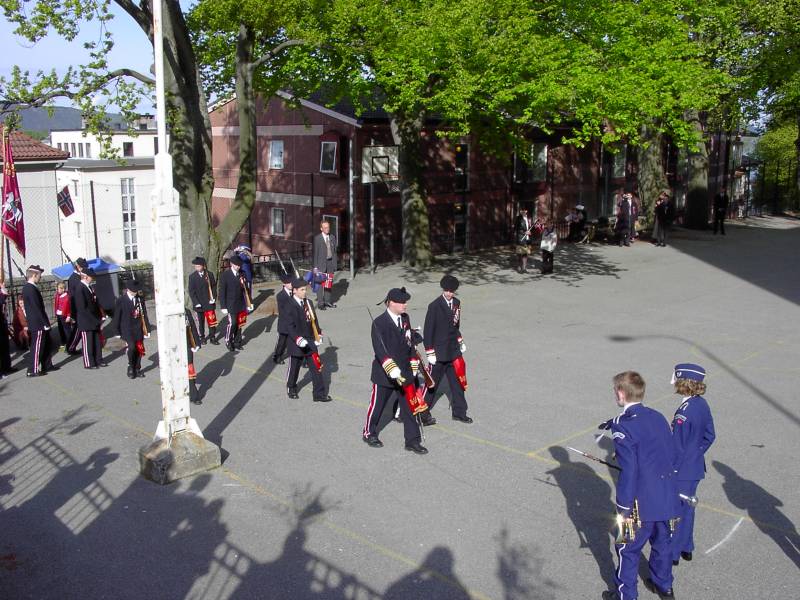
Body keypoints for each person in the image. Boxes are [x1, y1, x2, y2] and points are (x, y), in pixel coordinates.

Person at [602, 371, 678, 600]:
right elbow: (670, 454)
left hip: (637, 505)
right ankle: (664, 586)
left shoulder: (621, 426)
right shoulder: (658, 416)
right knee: (662, 544)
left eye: (616, 391)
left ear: (622, 393)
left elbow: (630, 472)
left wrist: (623, 509)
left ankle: (626, 596)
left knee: (626, 549)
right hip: (666, 498)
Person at [363, 287, 428, 454]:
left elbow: (409, 342)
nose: (405, 305)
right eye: (402, 302)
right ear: (391, 303)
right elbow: (380, 350)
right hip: (385, 373)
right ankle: (369, 432)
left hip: (405, 371)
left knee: (410, 407)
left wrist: (413, 362)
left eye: (405, 302)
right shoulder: (379, 323)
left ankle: (412, 440)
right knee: (377, 405)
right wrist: (391, 368)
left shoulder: (405, 318)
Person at [670, 363, 715, 567]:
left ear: (684, 382)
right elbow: (709, 435)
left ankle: (673, 553)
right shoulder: (701, 404)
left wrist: (670, 467)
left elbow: (676, 447)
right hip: (695, 467)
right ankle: (687, 547)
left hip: (681, 471)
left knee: (675, 513)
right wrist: (695, 454)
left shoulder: (684, 413)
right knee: (688, 510)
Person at [422, 275, 472, 426]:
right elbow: (428, 330)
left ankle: (459, 412)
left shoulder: (457, 303)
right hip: (438, 353)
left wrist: (460, 340)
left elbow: (456, 326)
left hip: (453, 351)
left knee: (457, 384)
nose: (449, 294)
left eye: (451, 291)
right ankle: (422, 414)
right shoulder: (434, 306)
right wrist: (429, 351)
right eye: (446, 291)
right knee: (432, 385)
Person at [284, 277, 331, 402]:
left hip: (310, 340)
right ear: (294, 290)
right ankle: (291, 387)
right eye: (302, 290)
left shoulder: (308, 302)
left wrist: (318, 334)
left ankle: (319, 394)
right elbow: (289, 326)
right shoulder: (289, 305)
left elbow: (314, 321)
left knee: (316, 367)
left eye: (305, 289)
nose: (305, 292)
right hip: (297, 342)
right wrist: (298, 339)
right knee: (294, 367)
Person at [111, 279, 151, 379]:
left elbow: (144, 314)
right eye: (133, 290)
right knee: (132, 347)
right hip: (127, 328)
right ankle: (130, 366)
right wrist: (116, 330)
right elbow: (117, 316)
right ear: (128, 289)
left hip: (138, 327)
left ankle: (137, 368)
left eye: (136, 290)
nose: (135, 292)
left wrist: (147, 329)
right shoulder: (121, 300)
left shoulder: (140, 299)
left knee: (139, 349)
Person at [22, 265, 53, 377]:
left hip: (37, 321)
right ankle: (32, 369)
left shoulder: (30, 287)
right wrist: (45, 323)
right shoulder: (30, 288)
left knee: (44, 344)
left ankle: (47, 364)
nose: (40, 277)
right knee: (37, 347)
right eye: (39, 275)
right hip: (37, 322)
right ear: (34, 275)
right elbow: (36, 308)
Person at [74, 267, 107, 369]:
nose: (92, 279)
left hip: (94, 319)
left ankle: (98, 359)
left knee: (97, 342)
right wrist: (95, 319)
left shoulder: (89, 287)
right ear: (85, 277)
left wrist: (100, 317)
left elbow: (94, 304)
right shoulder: (80, 288)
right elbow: (82, 308)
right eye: (91, 277)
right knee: (88, 343)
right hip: (86, 321)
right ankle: (89, 363)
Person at [219, 255, 252, 352]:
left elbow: (246, 289)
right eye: (236, 265)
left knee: (240, 324)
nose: (238, 267)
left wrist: (250, 302)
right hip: (230, 303)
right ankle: (228, 340)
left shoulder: (242, 273)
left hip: (241, 303)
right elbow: (222, 292)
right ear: (231, 264)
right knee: (232, 323)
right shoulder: (225, 275)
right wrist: (223, 306)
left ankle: (237, 342)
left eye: (239, 265)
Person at [188, 256, 219, 344]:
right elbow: (191, 291)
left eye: (198, 266)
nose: (197, 267)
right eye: (195, 266)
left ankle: (212, 337)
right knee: (200, 322)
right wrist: (196, 302)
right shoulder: (192, 277)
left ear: (203, 266)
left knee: (211, 321)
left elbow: (213, 287)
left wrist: (213, 297)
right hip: (199, 303)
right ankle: (202, 337)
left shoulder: (209, 274)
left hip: (209, 302)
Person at [313, 220, 338, 309]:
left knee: (328, 283)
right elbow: (315, 253)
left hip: (330, 263)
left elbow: (334, 251)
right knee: (320, 284)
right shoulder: (317, 238)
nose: (327, 229)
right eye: (325, 228)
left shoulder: (332, 237)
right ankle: (320, 303)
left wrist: (335, 264)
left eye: (328, 227)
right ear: (321, 229)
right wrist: (315, 267)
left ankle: (327, 301)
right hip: (320, 264)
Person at [65, 257, 88, 354]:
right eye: (82, 267)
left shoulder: (77, 277)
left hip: (79, 307)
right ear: (78, 267)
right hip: (77, 308)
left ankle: (71, 347)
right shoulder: (74, 278)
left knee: (78, 329)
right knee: (77, 329)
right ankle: (70, 347)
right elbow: (73, 296)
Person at [272, 273, 293, 364]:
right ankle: (277, 356)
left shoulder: (294, 292)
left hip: (294, 322)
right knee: (282, 342)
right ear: (284, 284)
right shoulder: (281, 295)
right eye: (289, 283)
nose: (291, 284)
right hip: (285, 323)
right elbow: (284, 311)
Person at [185, 309, 202, 404]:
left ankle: (194, 395)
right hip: (174, 347)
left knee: (189, 368)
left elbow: (192, 327)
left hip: (187, 344)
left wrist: (196, 343)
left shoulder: (186, 311)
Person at [514, 208, 535, 273]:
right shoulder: (518, 218)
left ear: (526, 211)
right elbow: (516, 229)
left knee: (525, 253)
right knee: (519, 253)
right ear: (520, 211)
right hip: (521, 238)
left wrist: (530, 232)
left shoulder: (528, 218)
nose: (523, 211)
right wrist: (524, 233)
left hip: (527, 238)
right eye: (522, 210)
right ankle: (519, 268)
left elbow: (530, 228)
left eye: (525, 210)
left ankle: (524, 268)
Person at [0, 283, 14, 377]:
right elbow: (1, 301)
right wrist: (3, 292)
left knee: (5, 346)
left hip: (3, 321)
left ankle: (7, 367)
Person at [53, 281, 72, 347]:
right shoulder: (58, 295)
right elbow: (56, 305)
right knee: (60, 329)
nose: (57, 290)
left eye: (58, 289)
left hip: (65, 315)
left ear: (63, 289)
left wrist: (69, 316)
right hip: (59, 315)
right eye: (57, 289)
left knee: (67, 330)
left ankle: (70, 343)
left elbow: (70, 308)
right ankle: (63, 341)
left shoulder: (67, 297)